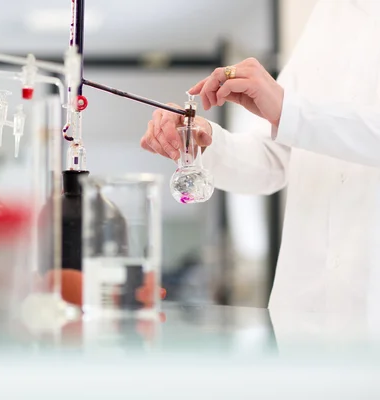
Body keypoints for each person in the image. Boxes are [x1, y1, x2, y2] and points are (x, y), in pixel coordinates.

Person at [140, 0, 380, 314]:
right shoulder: (329, 15)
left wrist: (287, 110)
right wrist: (201, 140)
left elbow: (295, 118)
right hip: (302, 312)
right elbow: (275, 160)